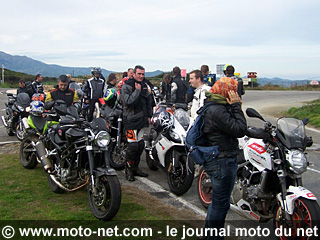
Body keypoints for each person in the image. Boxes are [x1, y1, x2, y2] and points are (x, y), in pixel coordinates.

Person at [202, 77, 247, 240]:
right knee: (221, 204)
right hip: (222, 160)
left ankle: (207, 235)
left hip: (216, 158)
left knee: (217, 202)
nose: (237, 93)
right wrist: (236, 106)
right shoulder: (218, 110)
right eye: (233, 90)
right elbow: (240, 129)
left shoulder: (213, 104)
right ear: (227, 91)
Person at [121, 65, 152, 181]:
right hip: (131, 120)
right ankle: (128, 169)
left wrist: (149, 115)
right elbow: (129, 102)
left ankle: (135, 168)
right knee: (133, 146)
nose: (141, 76)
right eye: (139, 74)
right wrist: (137, 90)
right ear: (133, 74)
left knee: (140, 146)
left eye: (143, 74)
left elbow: (149, 101)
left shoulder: (145, 86)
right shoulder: (126, 86)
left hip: (142, 120)